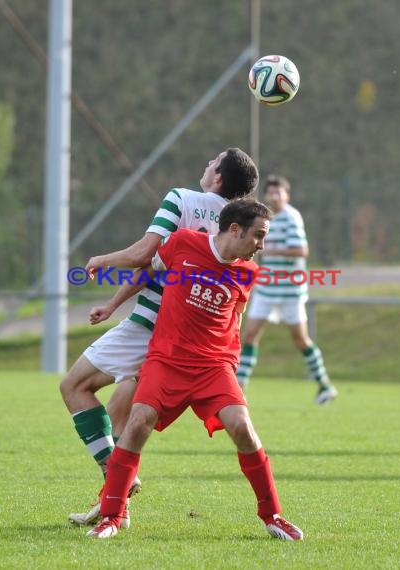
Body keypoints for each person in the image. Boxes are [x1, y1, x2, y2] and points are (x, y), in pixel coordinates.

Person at [60, 148, 259, 527]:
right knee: (122, 409)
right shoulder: (238, 225)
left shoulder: (181, 199)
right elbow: (160, 265)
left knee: (74, 386)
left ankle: (115, 478)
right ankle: (112, 503)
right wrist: (115, 304)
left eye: (211, 161)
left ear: (218, 176)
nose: (205, 164)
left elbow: (144, 255)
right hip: (191, 338)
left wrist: (102, 261)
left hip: (153, 324)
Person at [86, 199, 304, 541]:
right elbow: (148, 272)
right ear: (235, 229)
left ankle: (273, 515)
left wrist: (229, 360)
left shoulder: (248, 272)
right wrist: (113, 305)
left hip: (213, 366)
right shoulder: (183, 242)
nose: (261, 245)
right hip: (167, 360)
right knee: (138, 421)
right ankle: (112, 517)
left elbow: (236, 316)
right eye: (258, 236)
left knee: (243, 428)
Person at [236, 175, 338, 404]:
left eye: (278, 193)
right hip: (266, 289)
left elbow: (301, 251)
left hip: (290, 291)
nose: (273, 196)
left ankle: (325, 385)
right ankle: (239, 390)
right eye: (270, 193)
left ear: (286, 195)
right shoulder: (264, 219)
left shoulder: (291, 217)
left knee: (301, 340)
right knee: (250, 335)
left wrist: (270, 250)